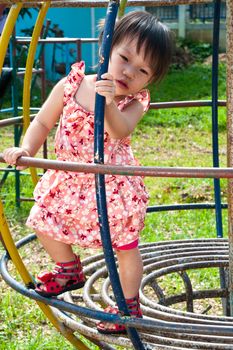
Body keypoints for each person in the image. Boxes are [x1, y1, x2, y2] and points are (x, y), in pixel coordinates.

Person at [3, 11, 172, 334]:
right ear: (105, 48)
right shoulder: (73, 84)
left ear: (150, 80)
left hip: (111, 186)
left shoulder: (133, 103)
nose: (128, 72)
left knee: (125, 247)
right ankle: (68, 269)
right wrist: (26, 150)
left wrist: (108, 102)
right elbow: (42, 121)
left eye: (142, 70)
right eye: (124, 57)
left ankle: (128, 303)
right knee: (43, 220)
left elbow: (120, 131)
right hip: (69, 179)